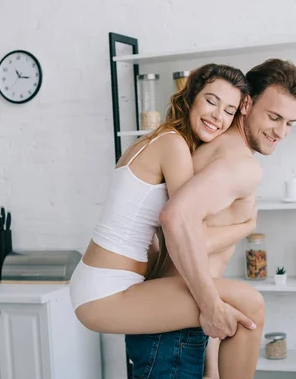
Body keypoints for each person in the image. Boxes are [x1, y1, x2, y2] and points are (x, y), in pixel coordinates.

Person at [69, 63, 265, 378]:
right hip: (106, 292)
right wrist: (244, 228)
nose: (218, 116)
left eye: (229, 110)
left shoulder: (159, 140)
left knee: (242, 305)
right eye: (211, 101)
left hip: (100, 284)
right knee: (248, 304)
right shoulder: (172, 145)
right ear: (190, 98)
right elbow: (191, 236)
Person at [125, 58, 296, 379]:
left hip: (175, 323)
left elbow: (196, 250)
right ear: (246, 104)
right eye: (274, 117)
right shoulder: (240, 164)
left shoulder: (214, 147)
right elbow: (175, 220)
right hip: (176, 331)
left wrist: (210, 358)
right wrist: (245, 227)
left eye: (290, 122)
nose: (281, 132)